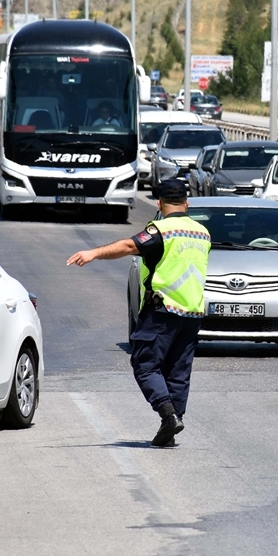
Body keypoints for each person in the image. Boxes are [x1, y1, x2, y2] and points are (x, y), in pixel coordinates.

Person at [66, 179, 210, 448]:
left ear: (159, 204)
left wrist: (94, 253)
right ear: (187, 203)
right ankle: (173, 420)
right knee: (177, 371)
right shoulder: (202, 232)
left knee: (145, 364)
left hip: (163, 310)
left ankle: (168, 416)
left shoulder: (161, 230)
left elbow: (129, 246)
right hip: (192, 312)